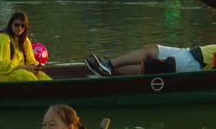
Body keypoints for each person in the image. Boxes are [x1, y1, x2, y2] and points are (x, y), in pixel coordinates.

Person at [0, 12, 52, 81]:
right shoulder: (2, 38)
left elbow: (30, 60)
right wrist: (24, 67)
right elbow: (2, 66)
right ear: (11, 24)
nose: (19, 28)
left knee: (42, 76)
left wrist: (35, 67)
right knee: (27, 77)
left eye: (22, 26)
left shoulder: (24, 40)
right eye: (16, 25)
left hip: (14, 70)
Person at [85, 44, 216, 77]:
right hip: (191, 51)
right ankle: (108, 64)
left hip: (194, 63)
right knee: (150, 49)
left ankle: (108, 73)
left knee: (149, 66)